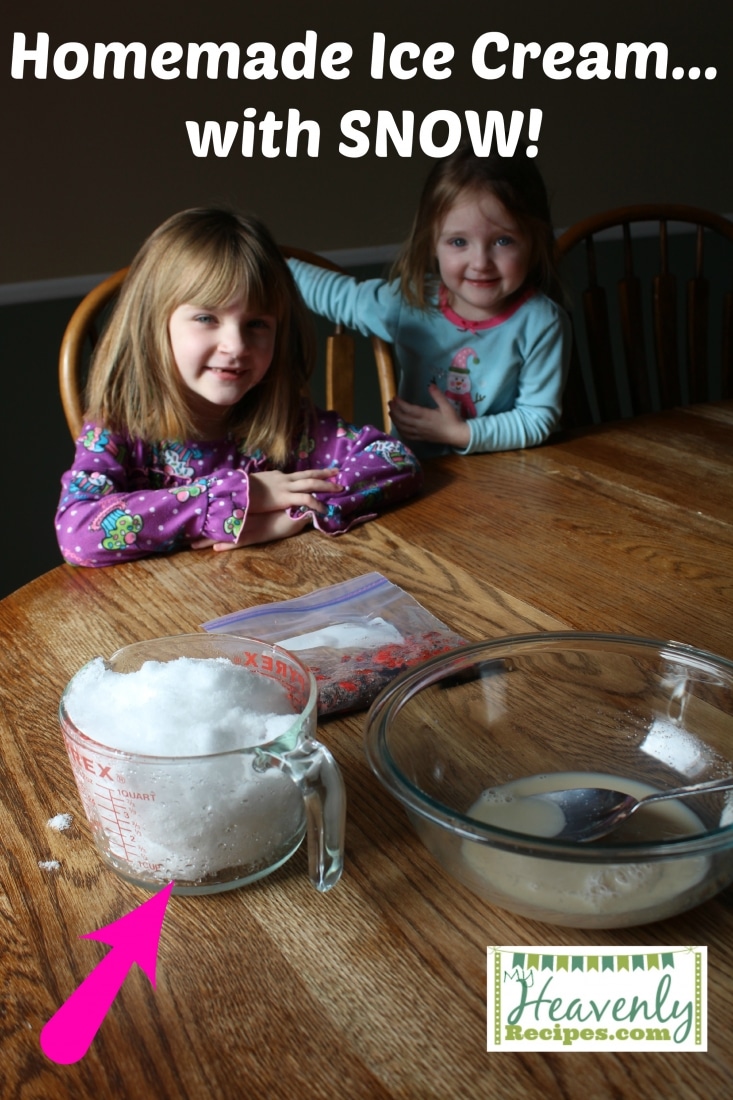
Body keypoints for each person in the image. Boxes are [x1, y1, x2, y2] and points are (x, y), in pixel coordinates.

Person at [55, 208, 422, 568]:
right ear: (153, 327)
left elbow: (396, 460)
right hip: (160, 618)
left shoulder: (290, 425)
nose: (236, 345)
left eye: (257, 323)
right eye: (206, 318)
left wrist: (292, 515)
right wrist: (243, 496)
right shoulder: (117, 430)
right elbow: (77, 533)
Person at [288, 143, 571, 458]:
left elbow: (537, 418)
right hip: (417, 476)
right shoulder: (411, 301)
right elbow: (341, 296)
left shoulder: (542, 322)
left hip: (505, 475)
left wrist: (458, 433)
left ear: (535, 240)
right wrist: (273, 265)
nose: (480, 262)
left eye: (503, 241)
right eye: (458, 241)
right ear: (433, 242)